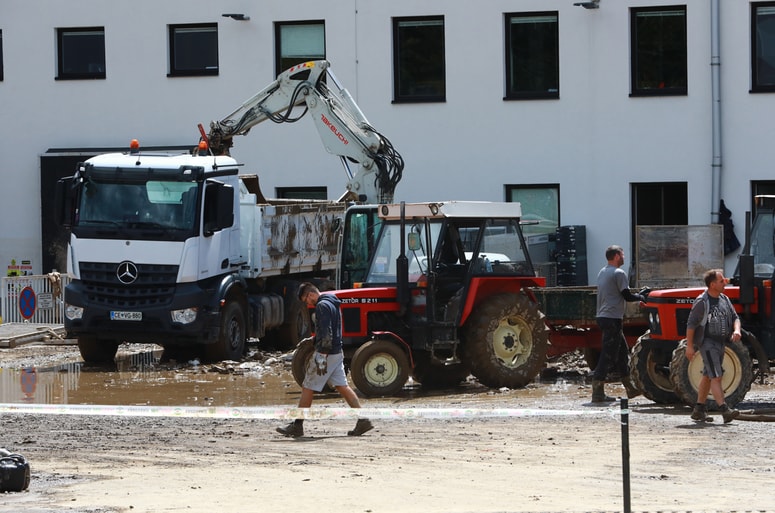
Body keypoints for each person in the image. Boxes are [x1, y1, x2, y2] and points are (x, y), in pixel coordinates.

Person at [276, 283, 374, 437]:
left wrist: (321, 355)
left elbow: (326, 333)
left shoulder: (322, 306)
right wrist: (313, 341)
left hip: (326, 354)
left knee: (308, 386)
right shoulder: (333, 301)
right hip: (337, 352)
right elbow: (331, 330)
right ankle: (363, 420)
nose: (308, 304)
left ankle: (297, 425)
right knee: (342, 386)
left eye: (306, 300)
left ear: (310, 295)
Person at [684, 269, 741, 423]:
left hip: (721, 343)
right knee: (717, 376)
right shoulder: (702, 302)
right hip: (708, 343)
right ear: (712, 284)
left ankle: (699, 409)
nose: (725, 282)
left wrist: (736, 330)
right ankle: (724, 410)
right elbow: (691, 324)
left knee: (708, 376)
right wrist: (689, 346)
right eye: (721, 281)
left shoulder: (724, 299)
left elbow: (735, 317)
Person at [591, 245, 646, 403]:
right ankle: (597, 392)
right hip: (612, 319)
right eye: (622, 255)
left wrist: (637, 296)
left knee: (622, 353)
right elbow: (627, 296)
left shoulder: (603, 271)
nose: (624, 257)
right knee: (608, 355)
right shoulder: (619, 273)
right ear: (616, 256)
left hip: (605, 317)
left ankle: (630, 388)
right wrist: (641, 297)